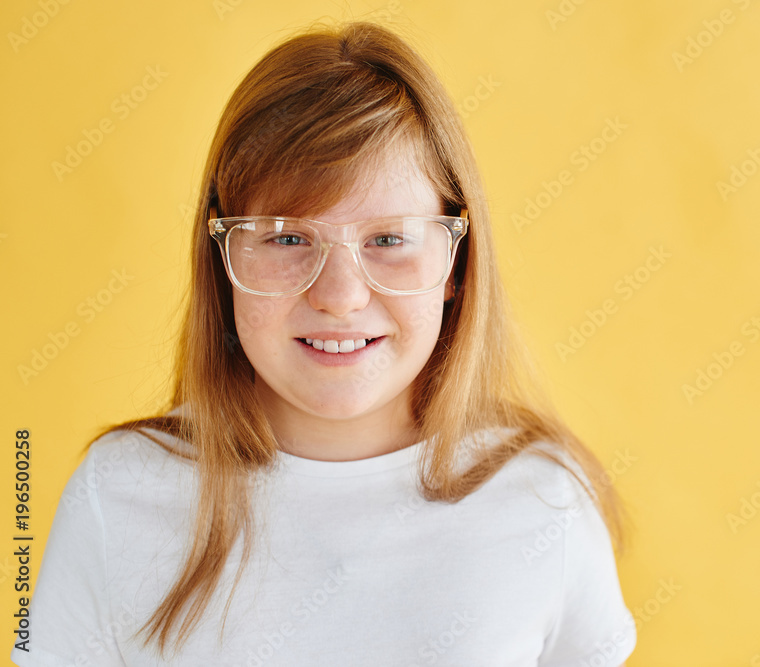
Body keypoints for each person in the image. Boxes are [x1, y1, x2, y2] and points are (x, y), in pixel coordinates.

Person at [11, 20, 637, 666]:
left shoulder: (542, 501)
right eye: (286, 237)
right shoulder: (116, 497)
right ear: (221, 258)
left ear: (455, 263)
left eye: (389, 240)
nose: (340, 296)